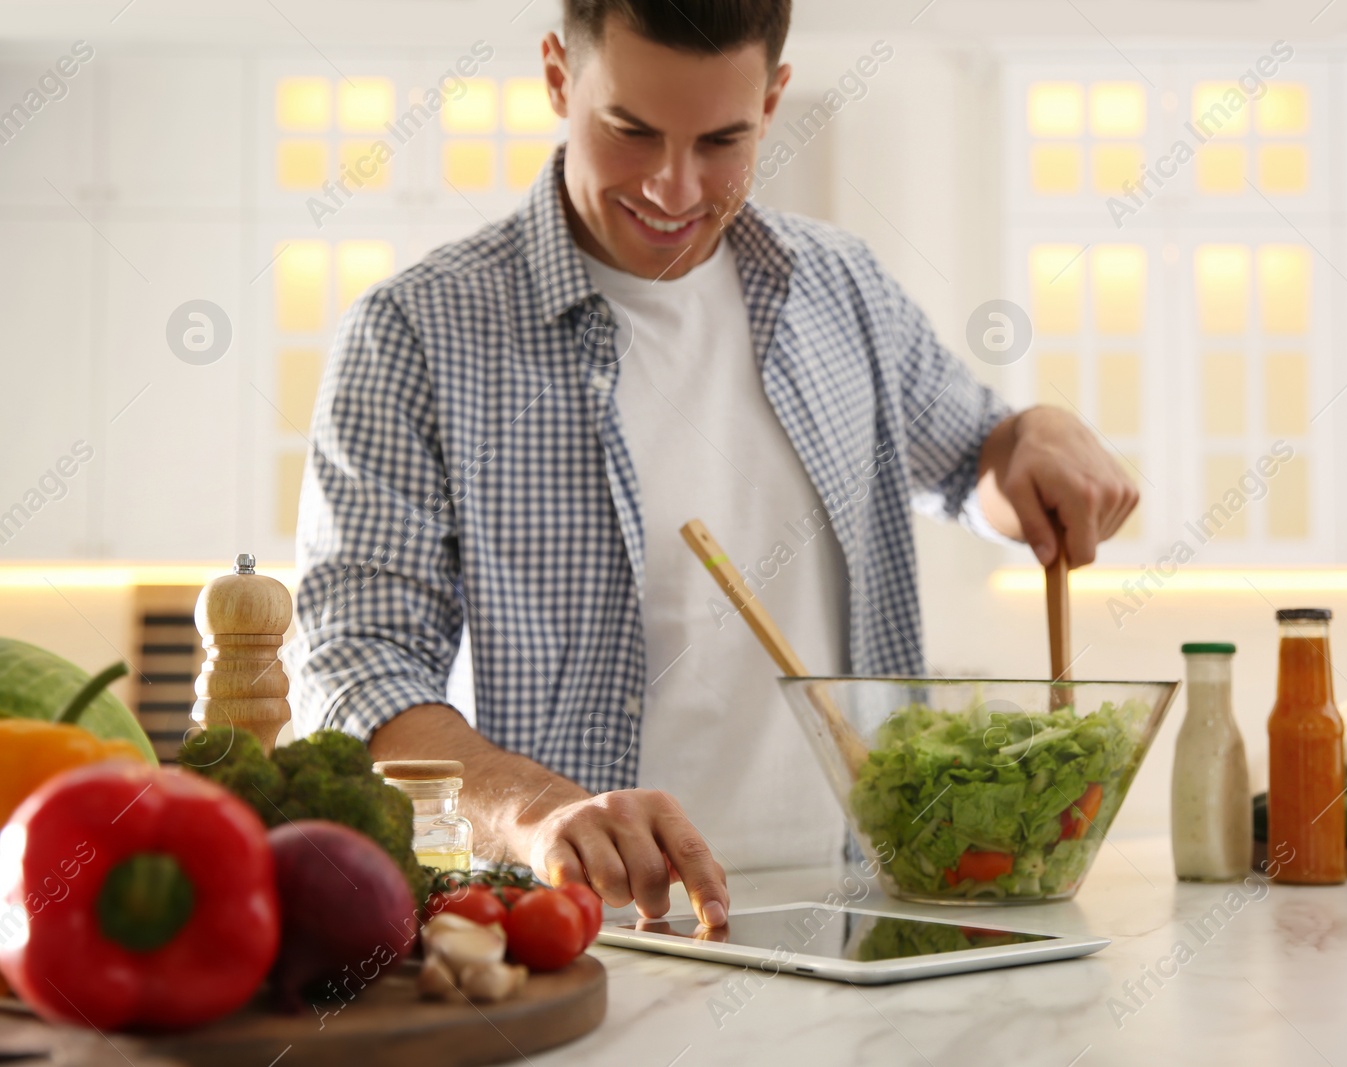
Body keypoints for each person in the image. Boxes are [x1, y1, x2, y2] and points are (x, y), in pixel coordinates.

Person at [286, 0, 1137, 930]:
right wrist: (537, 814)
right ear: (559, 79)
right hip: (578, 936)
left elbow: (977, 460)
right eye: (631, 131)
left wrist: (1033, 435)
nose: (675, 189)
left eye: (721, 140)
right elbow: (357, 669)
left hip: (870, 917)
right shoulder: (415, 333)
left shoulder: (839, 285)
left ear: (772, 103)